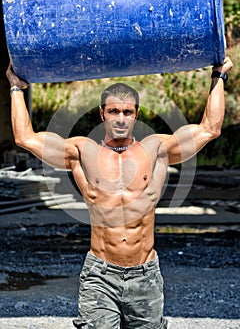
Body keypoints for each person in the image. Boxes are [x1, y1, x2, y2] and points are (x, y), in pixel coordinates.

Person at [6, 57, 233, 329]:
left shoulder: (157, 150)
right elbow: (25, 138)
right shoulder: (82, 152)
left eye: (127, 112)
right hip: (100, 274)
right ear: (102, 114)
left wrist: (219, 76)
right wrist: (16, 88)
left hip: (145, 275)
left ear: (136, 114)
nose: (121, 119)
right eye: (114, 111)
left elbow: (210, 129)